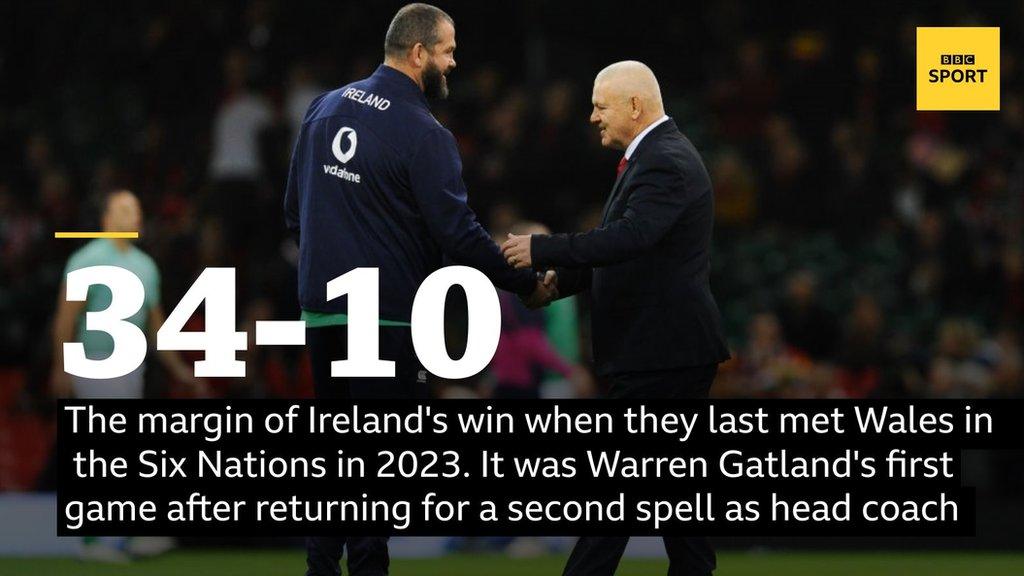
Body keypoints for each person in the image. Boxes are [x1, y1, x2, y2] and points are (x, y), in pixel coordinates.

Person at [283, 4, 555, 575]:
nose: (454, 62)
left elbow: (294, 212)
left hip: (324, 312)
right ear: (418, 54)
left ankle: (318, 570)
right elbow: (458, 234)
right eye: (448, 51)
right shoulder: (424, 133)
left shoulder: (321, 108)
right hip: (382, 318)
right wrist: (525, 283)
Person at [502, 61, 730, 576]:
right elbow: (632, 254)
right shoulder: (655, 157)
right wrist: (560, 285)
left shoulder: (665, 160)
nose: (591, 117)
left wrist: (541, 248)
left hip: (663, 353)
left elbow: (630, 239)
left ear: (634, 105)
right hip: (667, 350)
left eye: (600, 106)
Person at [50, 189, 205, 561]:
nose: (134, 216)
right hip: (95, 359)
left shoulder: (146, 266)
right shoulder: (85, 259)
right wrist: (60, 368)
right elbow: (65, 320)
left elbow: (157, 328)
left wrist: (182, 370)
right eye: (124, 210)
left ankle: (126, 534)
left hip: (133, 365)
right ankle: (93, 541)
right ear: (105, 217)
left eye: (136, 209)